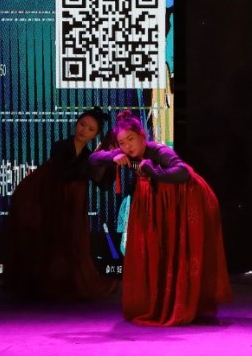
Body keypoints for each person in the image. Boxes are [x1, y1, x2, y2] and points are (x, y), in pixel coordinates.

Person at [89, 110, 231, 326]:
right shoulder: (125, 152)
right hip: (158, 203)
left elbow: (182, 172)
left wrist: (153, 171)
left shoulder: (158, 150)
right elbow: (93, 158)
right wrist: (112, 156)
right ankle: (157, 303)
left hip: (189, 200)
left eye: (131, 139)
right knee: (154, 250)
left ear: (142, 136)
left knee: (181, 251)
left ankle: (183, 305)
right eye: (122, 143)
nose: (127, 146)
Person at [3, 108, 118, 302]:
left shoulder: (89, 155)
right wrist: (95, 159)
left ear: (95, 135)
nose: (84, 130)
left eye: (90, 129)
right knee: (43, 238)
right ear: (76, 123)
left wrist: (109, 159)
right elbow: (65, 173)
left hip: (70, 204)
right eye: (82, 124)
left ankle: (62, 283)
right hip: (45, 195)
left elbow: (104, 184)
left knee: (69, 241)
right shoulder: (61, 146)